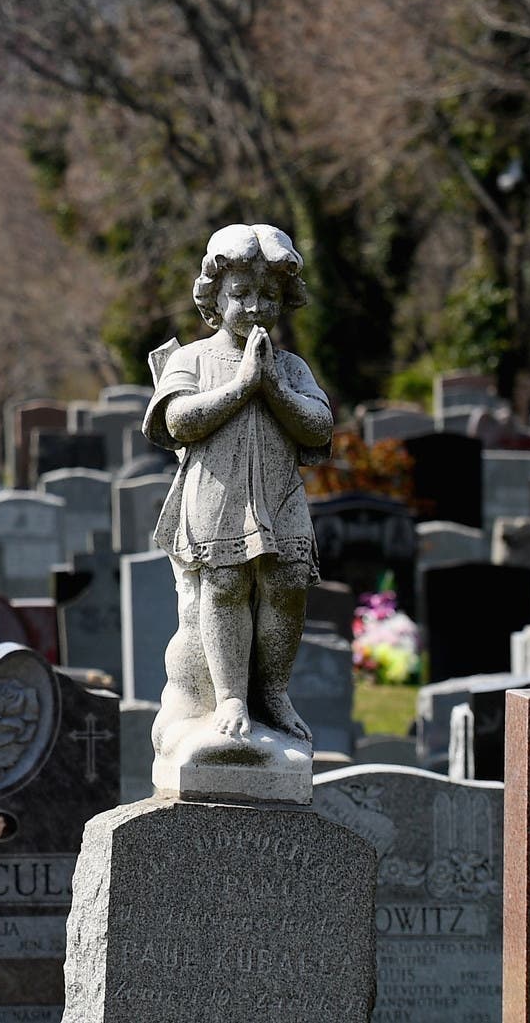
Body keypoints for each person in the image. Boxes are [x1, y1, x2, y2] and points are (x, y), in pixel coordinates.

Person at [145, 223, 334, 748]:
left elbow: (319, 427)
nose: (255, 307)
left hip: (280, 494)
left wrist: (271, 385)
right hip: (218, 491)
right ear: (214, 299)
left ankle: (272, 691)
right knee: (224, 586)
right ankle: (229, 696)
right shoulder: (194, 359)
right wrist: (240, 387)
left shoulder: (290, 367)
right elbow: (179, 421)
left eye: (269, 296)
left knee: (288, 585)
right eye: (241, 295)